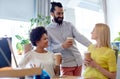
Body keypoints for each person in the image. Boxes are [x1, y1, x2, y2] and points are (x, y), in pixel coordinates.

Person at [46, 2, 91, 76]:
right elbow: (49, 49)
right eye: (58, 13)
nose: (61, 16)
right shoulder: (48, 30)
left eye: (62, 13)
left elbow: (80, 37)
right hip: (65, 64)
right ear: (52, 14)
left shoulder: (69, 25)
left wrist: (92, 46)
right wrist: (62, 46)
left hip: (78, 61)